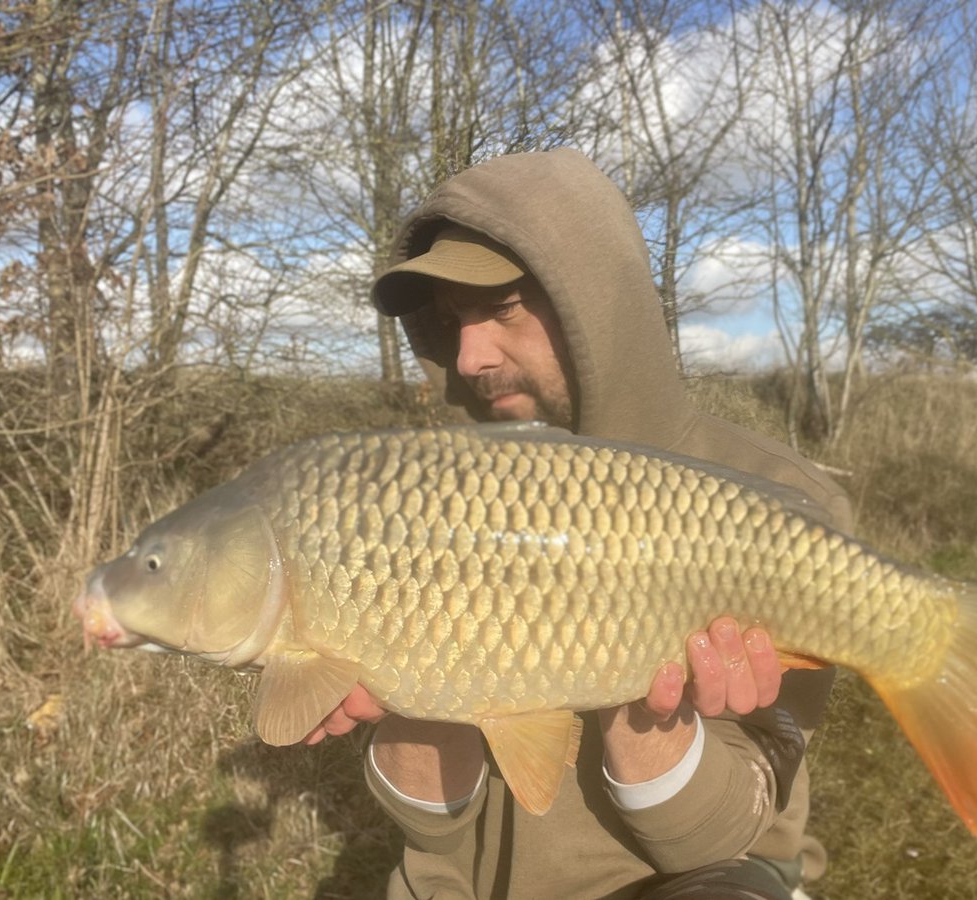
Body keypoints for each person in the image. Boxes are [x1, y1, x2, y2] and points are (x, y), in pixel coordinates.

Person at [303, 148, 854, 899]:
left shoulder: (776, 500)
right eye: (451, 321)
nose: (470, 356)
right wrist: (415, 694)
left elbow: (720, 837)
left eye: (500, 308)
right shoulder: (418, 496)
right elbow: (433, 832)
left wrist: (633, 671)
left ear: (598, 304)